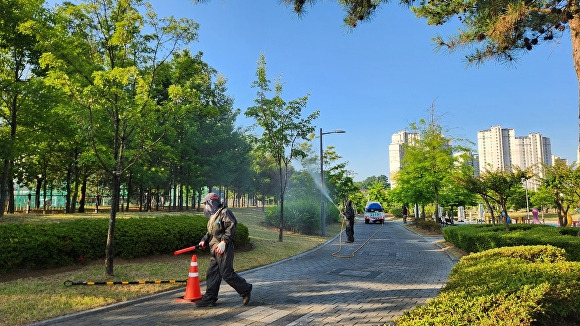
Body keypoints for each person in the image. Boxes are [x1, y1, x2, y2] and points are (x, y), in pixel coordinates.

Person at [195, 192, 252, 307]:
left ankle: (245, 289)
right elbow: (211, 231)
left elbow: (231, 225)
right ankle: (210, 298)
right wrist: (204, 240)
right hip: (214, 248)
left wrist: (224, 241)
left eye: (206, 204)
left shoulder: (225, 212)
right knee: (212, 273)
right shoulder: (214, 215)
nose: (205, 207)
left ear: (211, 203)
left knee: (226, 273)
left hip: (223, 248)